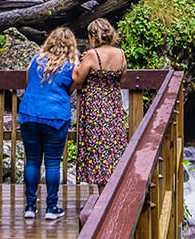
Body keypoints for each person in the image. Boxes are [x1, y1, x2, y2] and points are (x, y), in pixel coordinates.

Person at [18, 27, 77, 220]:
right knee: (53, 163)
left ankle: (30, 206)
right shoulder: (71, 66)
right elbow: (71, 89)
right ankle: (51, 208)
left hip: (30, 113)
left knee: (32, 161)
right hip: (55, 116)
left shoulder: (36, 60)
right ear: (71, 46)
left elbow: (28, 83)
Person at [71, 18, 128, 189]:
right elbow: (122, 79)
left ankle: (103, 197)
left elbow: (78, 78)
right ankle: (113, 192)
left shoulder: (92, 54)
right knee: (113, 147)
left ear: (94, 36)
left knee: (97, 150)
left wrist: (76, 62)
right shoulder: (121, 53)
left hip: (95, 106)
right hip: (113, 104)